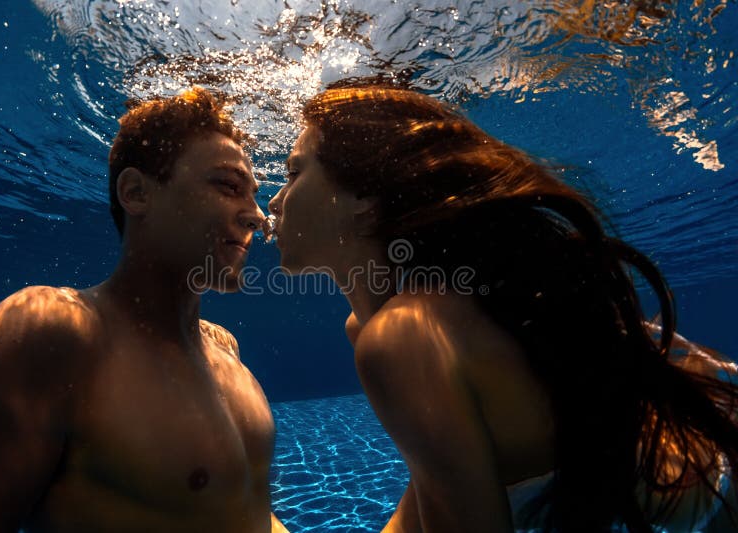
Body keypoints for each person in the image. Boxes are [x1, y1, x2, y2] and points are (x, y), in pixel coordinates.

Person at [267, 83, 738, 532]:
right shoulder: (389, 326)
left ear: (364, 202)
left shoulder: (400, 339)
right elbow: (424, 497)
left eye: (293, 173)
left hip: (720, 493)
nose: (275, 199)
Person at [0, 87, 289, 532]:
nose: (256, 215)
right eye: (227, 186)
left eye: (253, 194)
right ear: (136, 192)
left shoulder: (225, 349)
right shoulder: (51, 333)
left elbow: (245, 513)